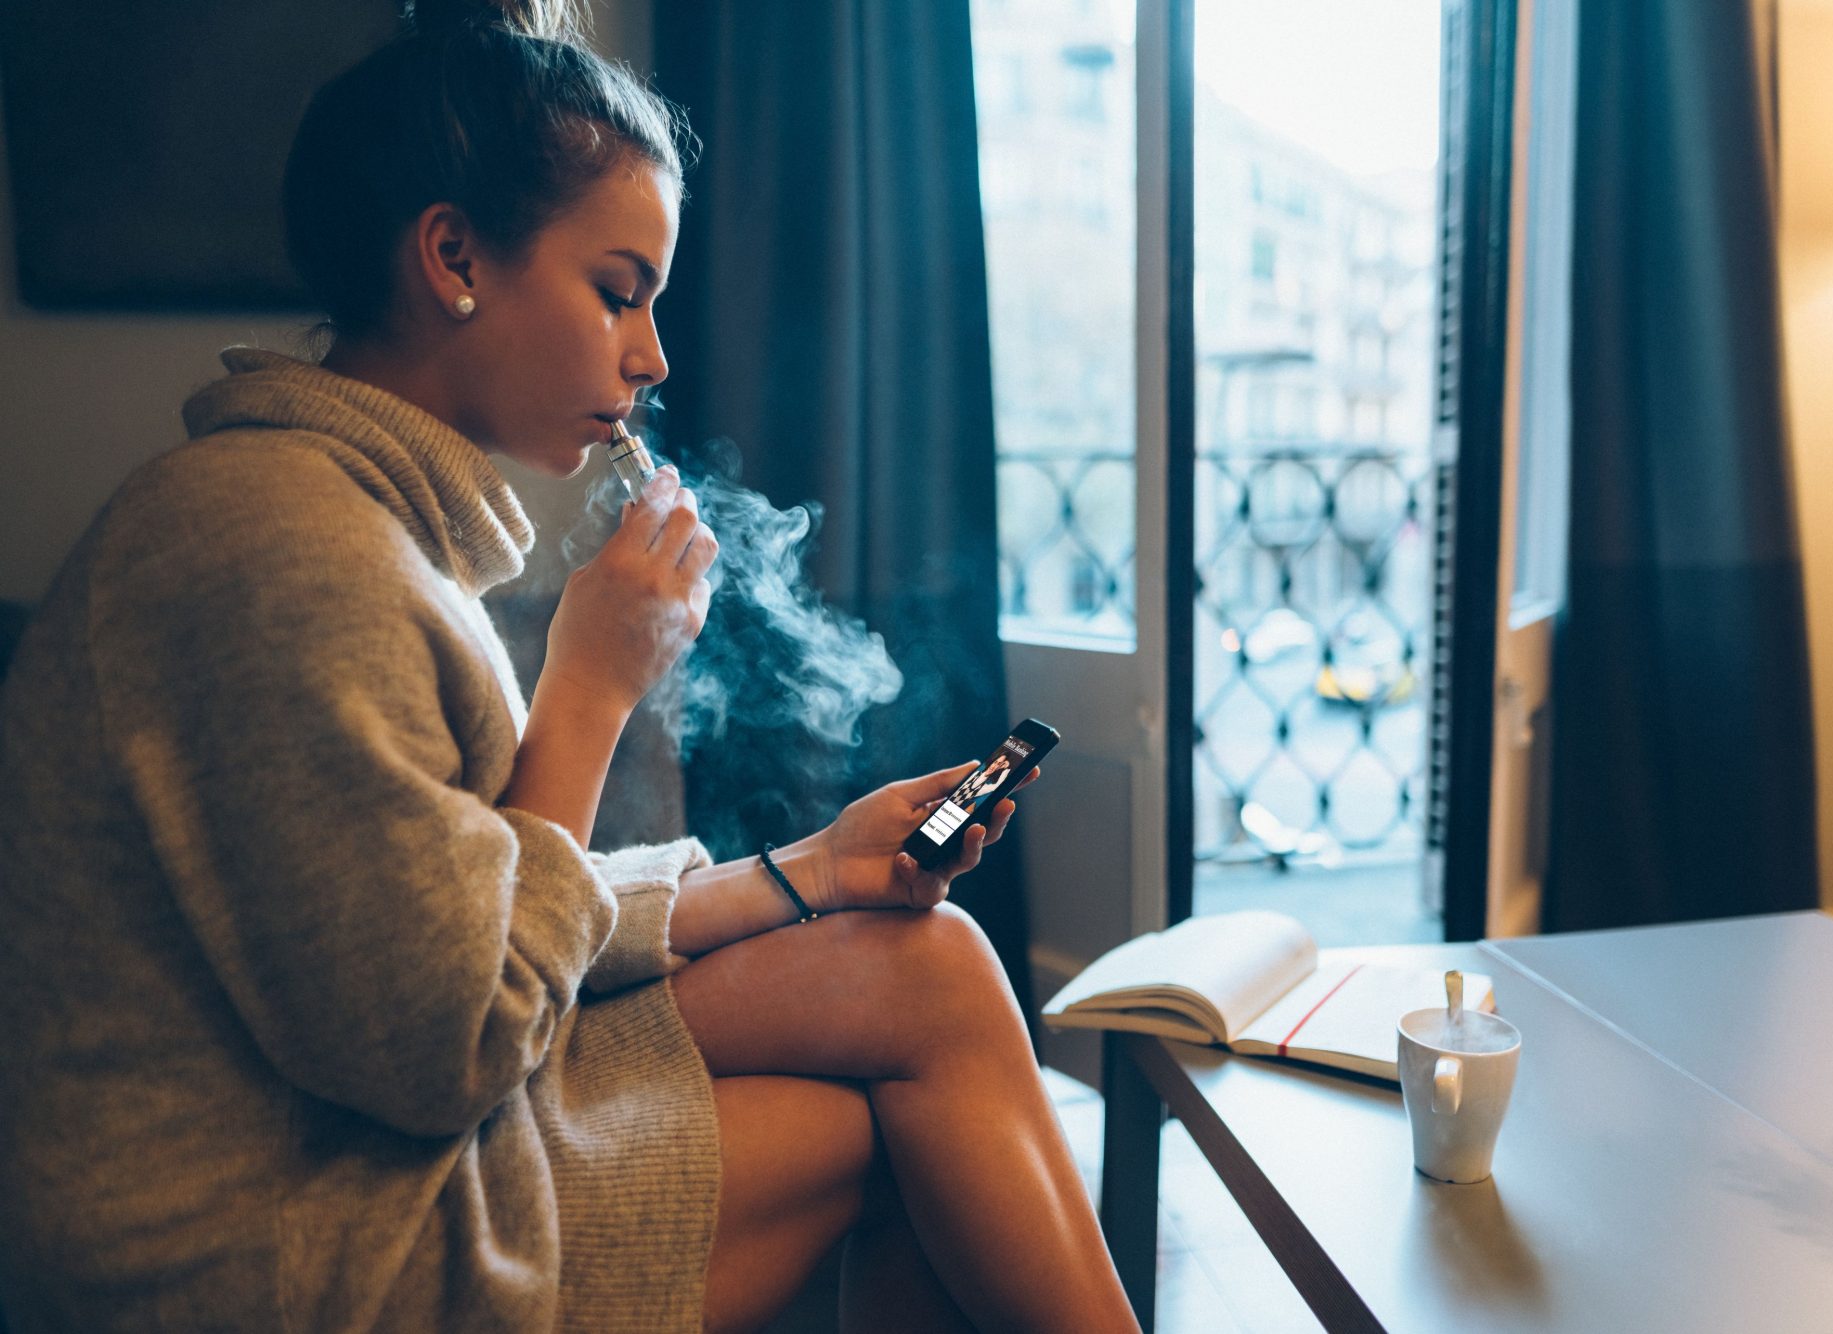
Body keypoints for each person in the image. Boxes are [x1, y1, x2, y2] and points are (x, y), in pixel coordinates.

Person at [0, 2, 1140, 1330]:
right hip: (265, 1235)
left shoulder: (349, 522)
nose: (651, 357)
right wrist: (589, 689)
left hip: (355, 1122)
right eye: (619, 291)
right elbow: (454, 1040)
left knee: (923, 958)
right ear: (453, 255)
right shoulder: (285, 549)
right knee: (880, 1127)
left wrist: (818, 870)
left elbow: (459, 914)